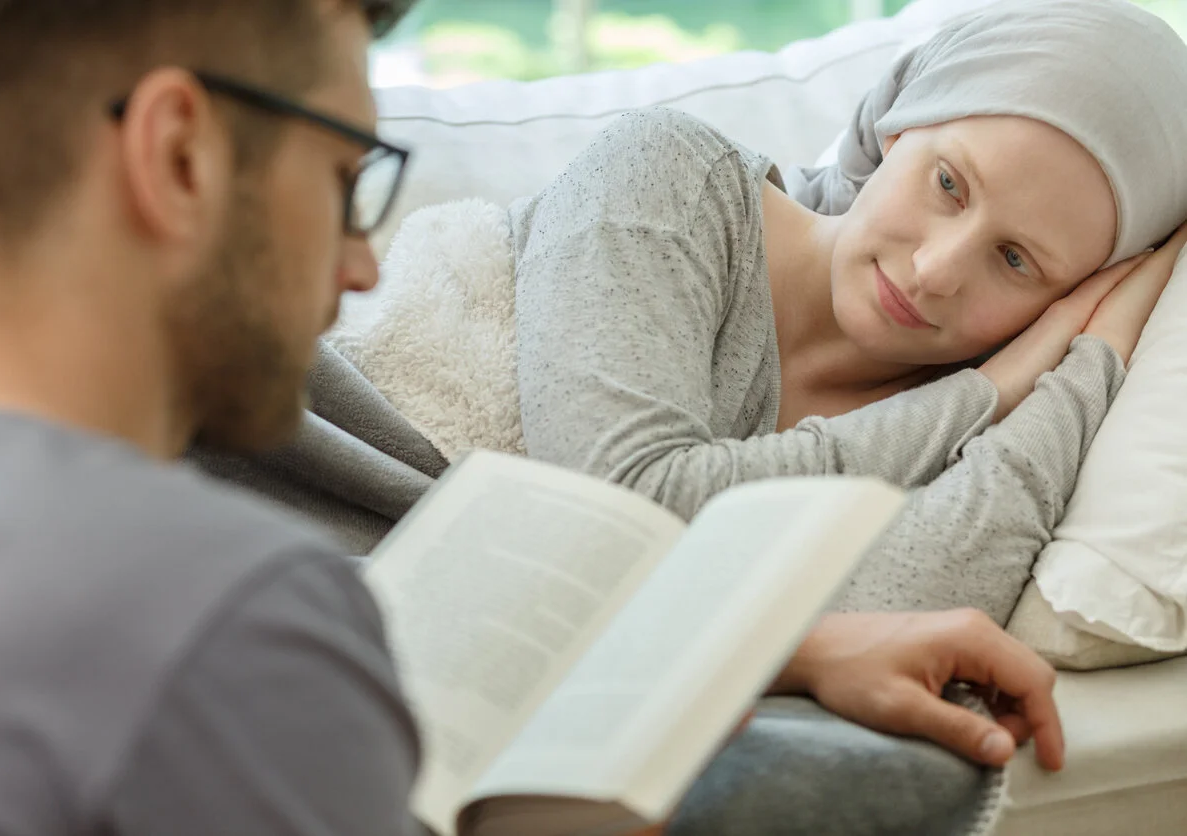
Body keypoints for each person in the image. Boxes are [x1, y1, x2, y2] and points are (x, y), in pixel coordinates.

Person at [0, 2, 1063, 836]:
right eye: (345, 179)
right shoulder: (233, 622)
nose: (364, 265)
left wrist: (790, 648)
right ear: (178, 155)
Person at [499, 0, 1187, 629]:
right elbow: (610, 525)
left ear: (1068, 298)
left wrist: (1084, 359)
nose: (934, 272)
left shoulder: (971, 451)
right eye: (949, 184)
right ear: (899, 127)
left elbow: (912, 608)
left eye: (1016, 260)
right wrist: (987, 392)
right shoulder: (668, 175)